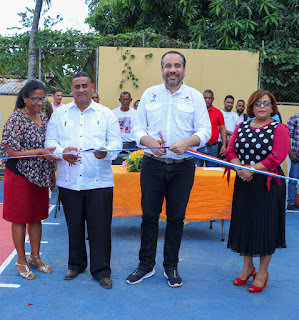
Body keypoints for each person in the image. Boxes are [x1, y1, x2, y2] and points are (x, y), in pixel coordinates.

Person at [126, 51, 211, 287]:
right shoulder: (149, 94)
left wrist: (187, 142)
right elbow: (137, 129)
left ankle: (171, 267)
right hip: (153, 165)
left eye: (177, 66)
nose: (172, 70)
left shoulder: (194, 97)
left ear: (184, 69)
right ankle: (145, 266)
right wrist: (149, 143)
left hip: (183, 167)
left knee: (176, 218)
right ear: (162, 69)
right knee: (149, 217)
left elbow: (206, 131)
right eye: (167, 66)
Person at [45, 71, 121, 289]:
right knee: (74, 227)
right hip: (70, 182)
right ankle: (76, 264)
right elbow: (50, 141)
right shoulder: (60, 115)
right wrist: (61, 152)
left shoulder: (106, 114)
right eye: (76, 86)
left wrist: (106, 151)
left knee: (101, 229)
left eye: (84, 86)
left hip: (99, 182)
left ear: (92, 87)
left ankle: (101, 270)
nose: (80, 90)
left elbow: (117, 143)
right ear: (71, 89)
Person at [225, 89, 289, 293]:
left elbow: (276, 157)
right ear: (252, 107)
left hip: (267, 185)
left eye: (266, 103)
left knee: (264, 227)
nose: (262, 107)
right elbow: (231, 150)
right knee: (244, 223)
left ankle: (262, 272)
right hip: (244, 183)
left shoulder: (279, 128)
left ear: (273, 107)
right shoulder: (242, 125)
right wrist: (240, 168)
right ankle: (247, 267)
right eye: (258, 103)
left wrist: (251, 169)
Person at [0, 80, 58, 280]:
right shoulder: (16, 119)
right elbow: (11, 151)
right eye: (35, 99)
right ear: (24, 98)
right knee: (20, 218)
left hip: (40, 175)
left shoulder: (43, 117)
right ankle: (21, 260)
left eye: (43, 98)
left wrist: (51, 173)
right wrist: (40, 152)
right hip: (20, 175)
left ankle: (35, 257)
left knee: (36, 217)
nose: (40, 102)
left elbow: (50, 146)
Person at [195, 89, 226, 167]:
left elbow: (222, 129)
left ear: (213, 99)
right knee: (197, 172)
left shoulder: (218, 113)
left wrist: (224, 145)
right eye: (205, 98)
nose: (207, 100)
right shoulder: (197, 111)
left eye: (209, 98)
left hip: (213, 148)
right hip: (199, 146)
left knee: (212, 172)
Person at [286, 113, 299, 210]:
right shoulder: (294, 118)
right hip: (297, 156)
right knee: (293, 180)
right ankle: (291, 203)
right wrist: (290, 152)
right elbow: (287, 137)